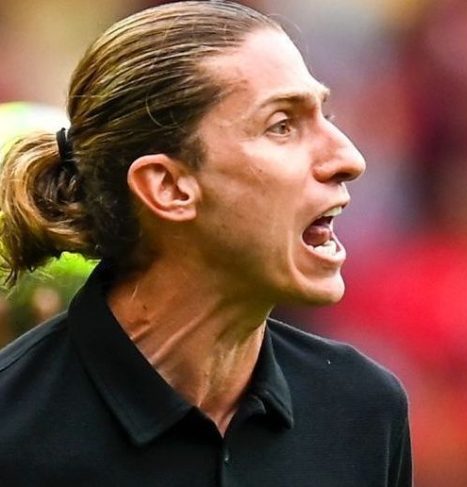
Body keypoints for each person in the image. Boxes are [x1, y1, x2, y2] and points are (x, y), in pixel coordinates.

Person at [0, 1, 412, 485]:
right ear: (167, 187)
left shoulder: (363, 411)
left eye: (325, 113)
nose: (349, 158)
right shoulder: (13, 433)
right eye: (282, 125)